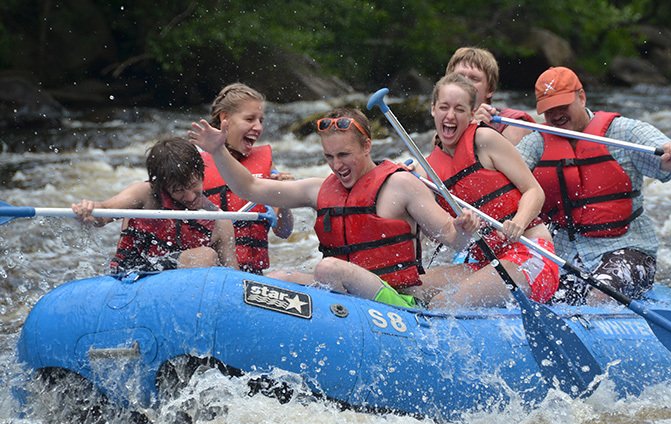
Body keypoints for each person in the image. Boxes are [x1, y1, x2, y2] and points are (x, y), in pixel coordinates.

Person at [189, 107, 480, 309]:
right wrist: (218, 151)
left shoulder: (401, 184)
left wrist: (463, 228)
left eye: (344, 154)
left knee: (328, 267)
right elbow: (250, 188)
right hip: (343, 294)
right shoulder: (318, 190)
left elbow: (451, 237)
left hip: (398, 300)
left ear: (367, 146)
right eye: (329, 156)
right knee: (275, 279)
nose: (337, 165)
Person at [512, 66, 671, 304]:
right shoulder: (536, 143)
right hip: (567, 256)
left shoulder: (625, 132)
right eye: (549, 110)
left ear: (582, 97)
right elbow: (502, 175)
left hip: (629, 250)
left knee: (599, 294)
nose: (556, 115)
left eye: (562, 106)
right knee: (543, 299)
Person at [411, 73, 560, 308]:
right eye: (444, 107)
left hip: (529, 253)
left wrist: (519, 221)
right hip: (482, 263)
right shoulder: (425, 169)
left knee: (442, 304)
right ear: (433, 110)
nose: (450, 116)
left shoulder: (485, 139)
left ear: (472, 114)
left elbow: (534, 191)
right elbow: (440, 234)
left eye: (459, 109)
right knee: (411, 290)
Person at [71, 137, 238, 274]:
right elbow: (105, 211)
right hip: (133, 272)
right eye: (178, 190)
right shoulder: (144, 194)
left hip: (180, 285)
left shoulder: (220, 221)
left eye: (193, 184)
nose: (189, 196)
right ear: (162, 186)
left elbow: (233, 277)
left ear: (201, 174)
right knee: (205, 256)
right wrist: (90, 212)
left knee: (207, 257)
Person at [200, 82, 294, 275]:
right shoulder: (194, 163)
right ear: (224, 117)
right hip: (209, 272)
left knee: (285, 277)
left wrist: (284, 200)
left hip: (253, 275)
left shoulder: (267, 166)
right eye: (250, 119)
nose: (258, 127)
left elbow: (284, 232)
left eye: (261, 120)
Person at [445, 46, 535, 145]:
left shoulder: (514, 126)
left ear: (490, 90)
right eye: (459, 77)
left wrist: (477, 129)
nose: (464, 83)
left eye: (474, 78)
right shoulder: (443, 131)